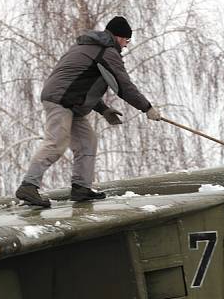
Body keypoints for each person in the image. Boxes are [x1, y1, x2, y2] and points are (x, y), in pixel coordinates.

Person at [15, 16, 163, 208]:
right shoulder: (107, 51)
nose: (126, 46)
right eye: (127, 41)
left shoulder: (91, 47)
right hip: (61, 100)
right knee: (56, 142)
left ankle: (81, 188)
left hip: (70, 101)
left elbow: (81, 83)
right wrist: (147, 108)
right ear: (119, 37)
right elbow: (123, 84)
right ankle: (28, 185)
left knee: (87, 141)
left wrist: (103, 109)